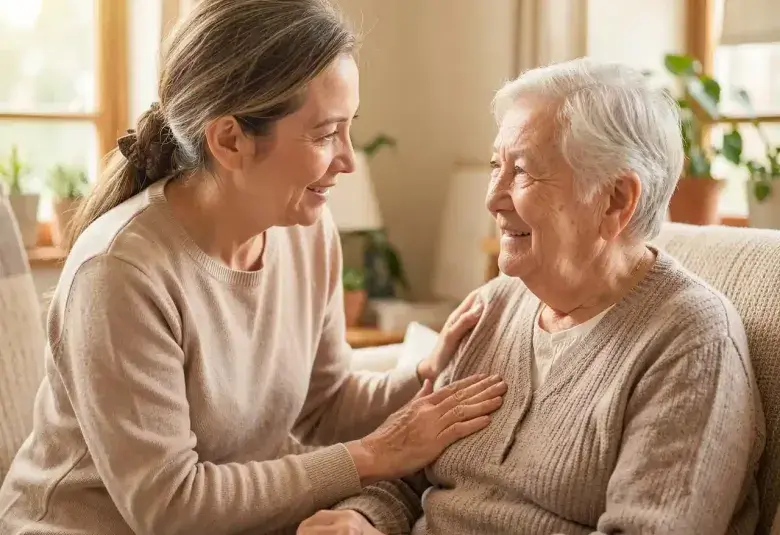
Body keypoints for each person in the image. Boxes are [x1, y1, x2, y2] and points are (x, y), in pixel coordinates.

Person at [0, 1, 508, 534]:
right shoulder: (120, 273)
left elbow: (325, 407)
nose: (348, 160)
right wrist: (371, 456)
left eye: (349, 127)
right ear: (229, 140)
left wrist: (433, 375)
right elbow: (171, 508)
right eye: (324, 133)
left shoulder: (309, 233)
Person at [299, 58, 766, 534]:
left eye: (521, 172)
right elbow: (405, 471)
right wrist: (361, 518)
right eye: (495, 166)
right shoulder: (497, 306)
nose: (493, 197)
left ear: (615, 200)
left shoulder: (690, 341)